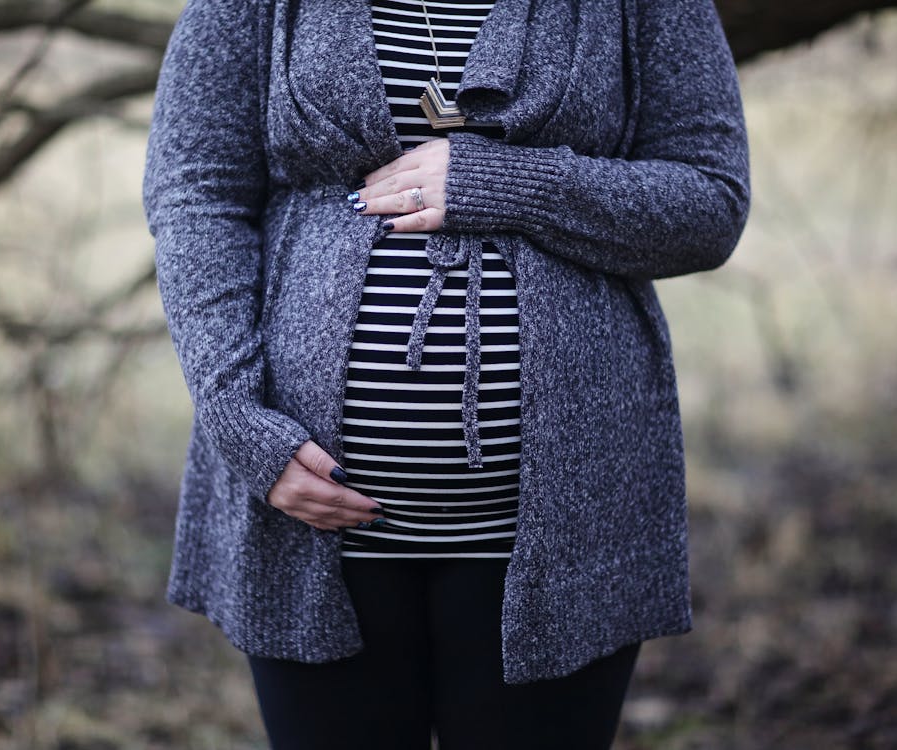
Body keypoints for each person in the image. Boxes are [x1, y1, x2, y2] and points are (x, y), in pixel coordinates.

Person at [141, 0, 750, 747]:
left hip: (564, 524)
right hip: (306, 519)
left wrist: (503, 182)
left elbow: (709, 201)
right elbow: (194, 190)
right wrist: (235, 415)